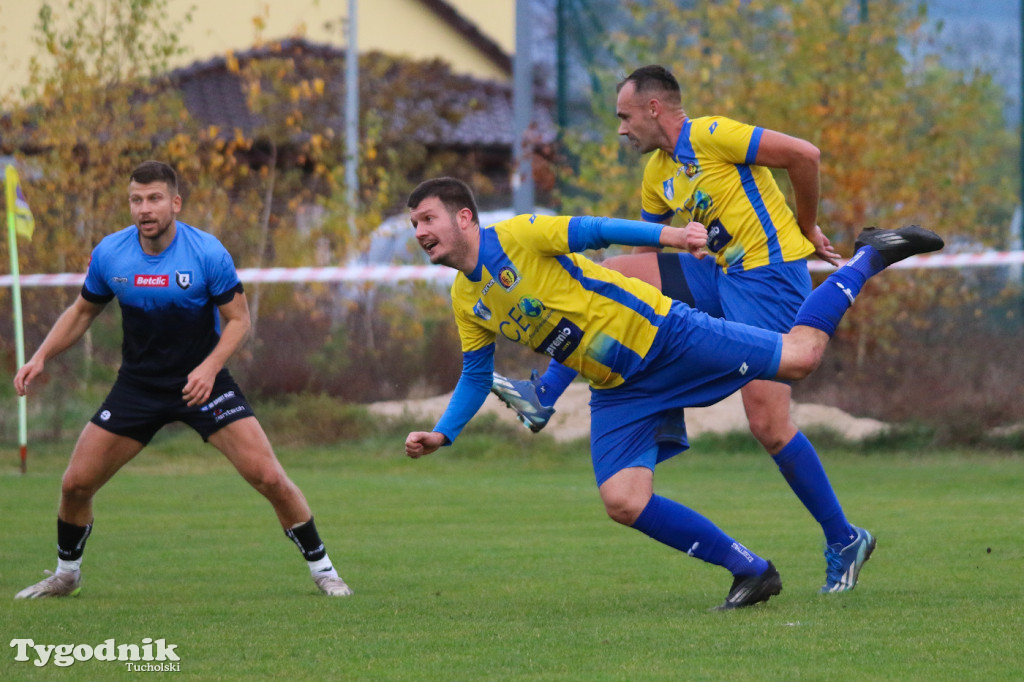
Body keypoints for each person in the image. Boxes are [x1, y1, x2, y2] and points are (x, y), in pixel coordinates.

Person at [403, 176, 941, 609]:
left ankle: (869, 256)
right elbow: (476, 375)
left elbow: (592, 230)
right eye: (414, 224)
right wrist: (443, 434)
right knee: (622, 500)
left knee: (799, 359)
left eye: (427, 218)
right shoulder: (465, 299)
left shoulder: (517, 236)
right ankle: (752, 571)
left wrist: (673, 237)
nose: (420, 230)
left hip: (665, 335)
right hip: (620, 389)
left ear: (465, 217)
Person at [490, 64, 870, 594]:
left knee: (768, 424)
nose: (620, 129)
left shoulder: (712, 134)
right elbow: (647, 254)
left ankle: (844, 538)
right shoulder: (656, 173)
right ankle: (544, 393)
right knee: (617, 274)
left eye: (624, 117)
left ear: (653, 108)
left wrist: (806, 226)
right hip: (715, 274)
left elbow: (805, 155)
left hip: (768, 276)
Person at [13, 161, 352, 599]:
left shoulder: (207, 253)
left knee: (268, 476)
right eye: (136, 200)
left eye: (154, 198)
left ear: (175, 202)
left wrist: (209, 367)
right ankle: (66, 573)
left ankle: (324, 570)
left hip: (205, 384)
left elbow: (238, 320)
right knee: (75, 483)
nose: (144, 209)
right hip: (138, 386)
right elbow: (82, 311)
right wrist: (41, 356)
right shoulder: (111, 254)